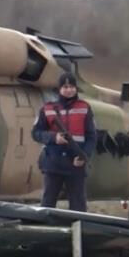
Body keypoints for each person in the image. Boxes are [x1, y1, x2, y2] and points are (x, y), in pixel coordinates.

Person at [31, 72, 97, 212]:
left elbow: (92, 136)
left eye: (72, 87)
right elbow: (36, 133)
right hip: (53, 164)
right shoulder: (47, 109)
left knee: (78, 206)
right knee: (47, 204)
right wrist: (54, 138)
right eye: (65, 87)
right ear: (59, 89)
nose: (69, 90)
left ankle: (78, 226)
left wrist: (84, 155)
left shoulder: (84, 108)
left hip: (75, 164)